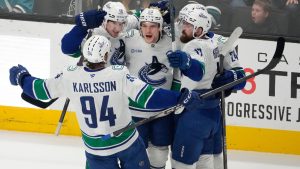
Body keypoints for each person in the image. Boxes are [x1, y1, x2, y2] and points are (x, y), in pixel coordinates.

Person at [9, 35, 198, 169]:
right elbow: (150, 98)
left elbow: (39, 90)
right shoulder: (118, 74)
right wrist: (180, 97)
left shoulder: (70, 77)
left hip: (96, 150)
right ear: (106, 55)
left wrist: (22, 78)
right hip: (127, 144)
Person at [166, 8, 246, 169]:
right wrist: (231, 78)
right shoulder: (221, 41)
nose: (183, 27)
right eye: (183, 23)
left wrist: (186, 62)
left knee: (181, 164)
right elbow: (241, 77)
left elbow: (198, 72)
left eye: (188, 24)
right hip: (214, 114)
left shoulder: (193, 45)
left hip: (192, 113)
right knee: (207, 162)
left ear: (199, 29)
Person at [124, 7, 178, 169]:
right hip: (134, 111)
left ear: (161, 27)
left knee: (159, 155)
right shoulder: (128, 39)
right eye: (144, 25)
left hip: (162, 112)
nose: (148, 30)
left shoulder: (172, 42)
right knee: (134, 156)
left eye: (153, 26)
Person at [61, 1, 138, 65]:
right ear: (104, 20)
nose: (118, 29)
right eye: (113, 23)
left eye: (121, 23)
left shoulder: (126, 24)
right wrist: (82, 27)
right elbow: (68, 49)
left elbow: (139, 16)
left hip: (118, 80)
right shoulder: (93, 33)